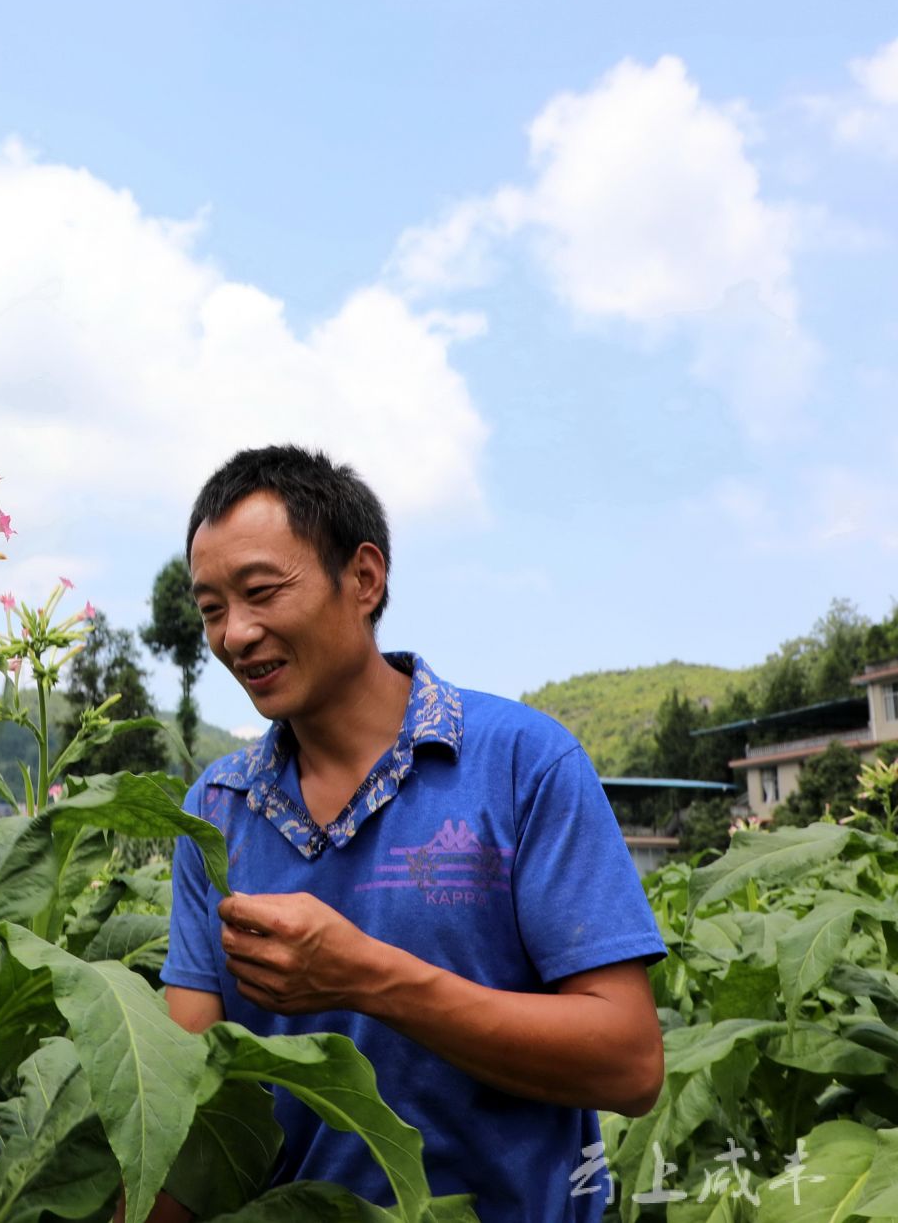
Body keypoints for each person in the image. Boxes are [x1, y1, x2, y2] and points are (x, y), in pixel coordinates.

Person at [154, 446, 664, 1223]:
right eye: (212, 608)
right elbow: (185, 1102)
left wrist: (370, 978)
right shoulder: (217, 808)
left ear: (363, 577)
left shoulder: (521, 762)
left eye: (260, 592)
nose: (235, 634)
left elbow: (628, 1062)